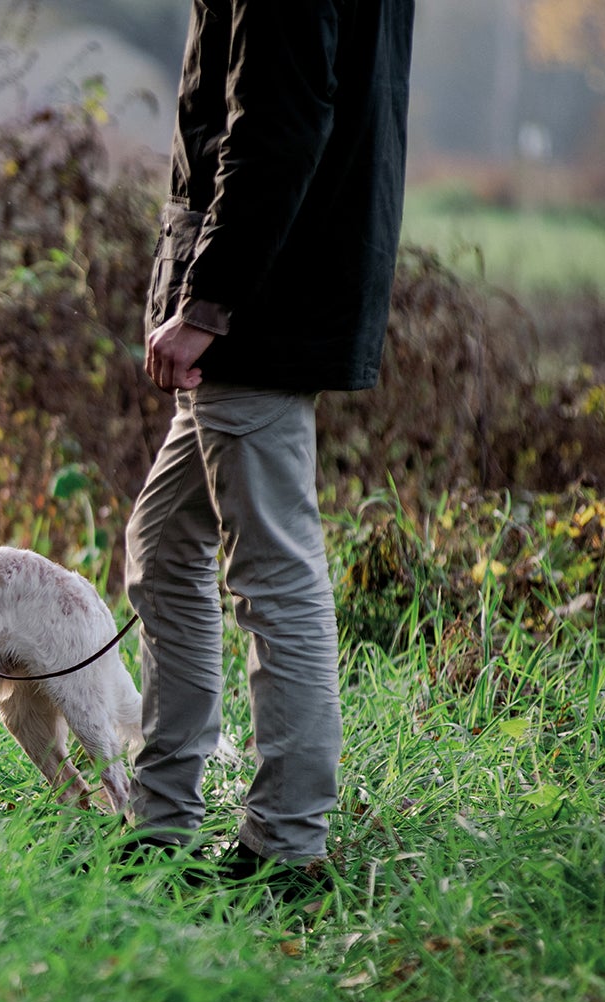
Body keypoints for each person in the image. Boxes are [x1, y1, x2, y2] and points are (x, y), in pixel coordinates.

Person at [122, 1, 416, 895]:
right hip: (272, 292)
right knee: (165, 545)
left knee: (274, 573)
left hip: (258, 306)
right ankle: (160, 818)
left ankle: (286, 850)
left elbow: (279, 124)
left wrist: (206, 305)